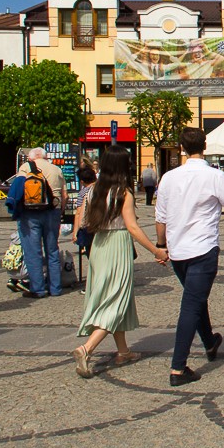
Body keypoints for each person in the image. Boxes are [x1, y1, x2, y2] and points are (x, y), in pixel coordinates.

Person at [155, 127, 224, 387]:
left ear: (181, 148)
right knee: (191, 304)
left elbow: (160, 217)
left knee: (195, 298)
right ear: (205, 146)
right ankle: (178, 367)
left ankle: (210, 342)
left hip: (177, 252)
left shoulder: (168, 177)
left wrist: (160, 244)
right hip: (202, 250)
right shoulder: (214, 176)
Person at [71, 145, 168, 379]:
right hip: (117, 246)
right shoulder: (122, 192)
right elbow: (132, 227)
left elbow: (83, 220)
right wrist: (157, 249)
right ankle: (87, 349)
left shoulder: (93, 190)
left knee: (111, 297)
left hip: (99, 246)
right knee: (116, 300)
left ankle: (123, 351)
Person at [17, 147, 68, 298]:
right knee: (52, 250)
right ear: (45, 157)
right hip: (53, 211)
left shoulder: (25, 168)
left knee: (33, 251)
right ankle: (55, 288)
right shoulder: (56, 169)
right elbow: (64, 195)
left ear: (32, 158)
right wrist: (60, 212)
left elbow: (19, 191)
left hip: (30, 213)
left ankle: (38, 289)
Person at [71, 165, 98, 258]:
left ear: (82, 181)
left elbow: (78, 213)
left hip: (89, 226)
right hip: (102, 224)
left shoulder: (83, 193)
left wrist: (75, 232)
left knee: (91, 252)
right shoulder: (102, 189)